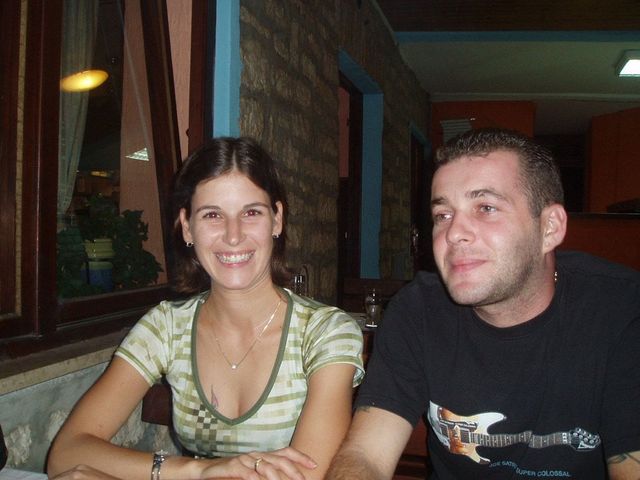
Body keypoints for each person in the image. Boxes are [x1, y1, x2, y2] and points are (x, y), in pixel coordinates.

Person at [326, 128, 640, 479]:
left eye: (486, 208)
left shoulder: (622, 310)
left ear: (550, 227)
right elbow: (366, 454)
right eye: (443, 215)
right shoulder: (418, 310)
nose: (454, 233)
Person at [48, 137, 364, 480]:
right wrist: (200, 469)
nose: (233, 235)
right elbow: (66, 454)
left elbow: (306, 476)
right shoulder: (166, 327)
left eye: (251, 213)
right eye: (213, 215)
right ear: (187, 227)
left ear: (277, 220)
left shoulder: (325, 332)